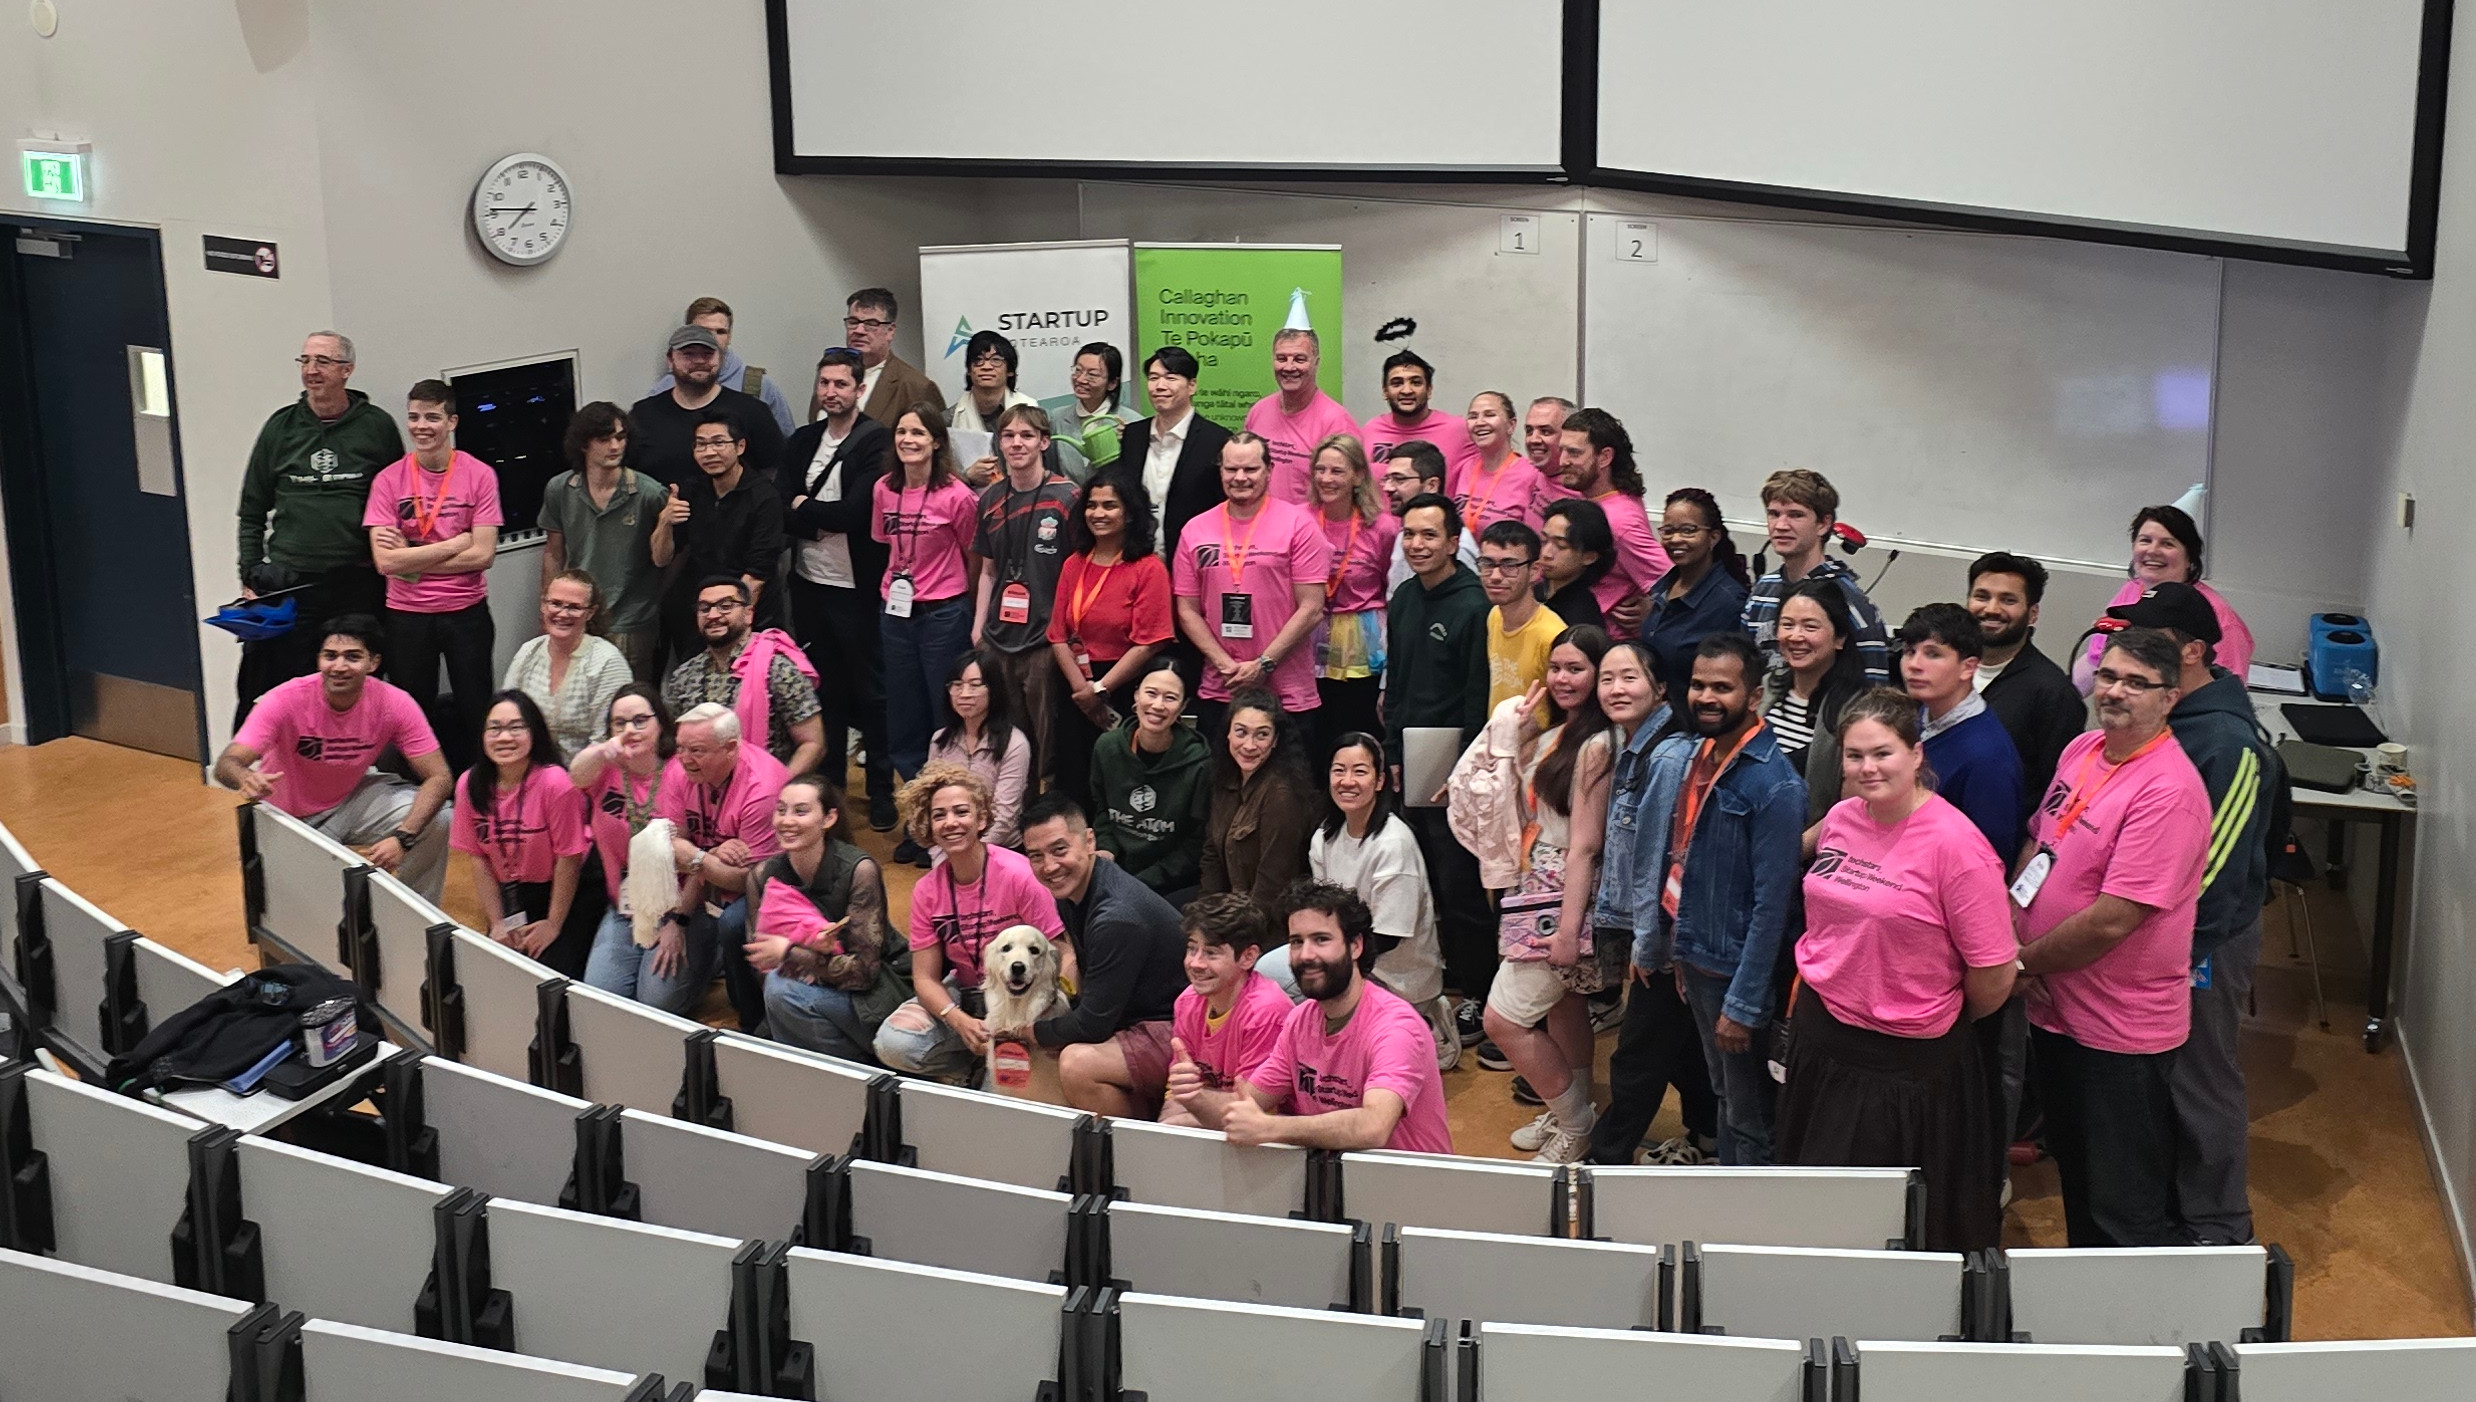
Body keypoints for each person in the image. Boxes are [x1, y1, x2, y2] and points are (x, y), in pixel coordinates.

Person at [1775, 689, 2019, 1251]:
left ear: (1916, 753)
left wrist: (1929, 1005)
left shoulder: (1958, 847)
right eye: (1855, 755)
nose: (1868, 768)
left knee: (1887, 1227)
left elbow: (1994, 973)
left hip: (1904, 1064)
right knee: (1817, 1213)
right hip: (1822, 1036)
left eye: (1882, 753)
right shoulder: (1841, 818)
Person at [2019, 628, 2213, 1247]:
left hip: (2117, 1032)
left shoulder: (2170, 791)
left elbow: (2113, 919)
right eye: (2108, 676)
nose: (2115, 692)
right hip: (2055, 1008)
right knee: (2078, 1175)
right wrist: (2014, 926)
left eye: (2136, 683)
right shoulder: (2083, 749)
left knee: (2120, 1205)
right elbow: (2040, 841)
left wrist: (2022, 964)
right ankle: (2083, 1300)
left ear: (2169, 698)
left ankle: (2122, 1310)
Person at [2105, 583, 2276, 1245]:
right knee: (2162, 1078)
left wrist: (2162, 947)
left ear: (2194, 652)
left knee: (2201, 1076)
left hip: (2201, 942)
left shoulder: (2227, 742)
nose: (2131, 649)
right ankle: (2171, 1206)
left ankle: (2217, 1225)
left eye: (2151, 638)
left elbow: (2215, 874)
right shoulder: (2170, 716)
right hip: (2149, 935)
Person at [1627, 633, 1806, 1165]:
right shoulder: (1700, 754)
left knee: (1749, 1115)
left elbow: (1772, 907)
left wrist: (1744, 1004)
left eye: (1722, 687)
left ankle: (1748, 1207)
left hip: (1733, 973)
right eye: (1699, 685)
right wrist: (1675, 949)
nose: (1706, 697)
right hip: (1697, 955)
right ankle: (1727, 1188)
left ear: (1754, 696)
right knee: (1726, 1095)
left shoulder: (1775, 786)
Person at [1167, 880, 1453, 1154]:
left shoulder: (1395, 1027)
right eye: (1296, 942)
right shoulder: (1300, 1021)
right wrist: (1195, 1097)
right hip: (1331, 1179)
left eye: (1321, 940)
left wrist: (1271, 1128)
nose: (1305, 955)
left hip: (1407, 1183)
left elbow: (1374, 1126)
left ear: (1356, 945)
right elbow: (1244, 1108)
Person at [1483, 626, 1619, 1163]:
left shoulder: (1599, 745)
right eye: (1556, 668)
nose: (1563, 679)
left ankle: (1575, 1123)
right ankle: (1571, 1105)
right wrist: (1522, 737)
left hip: (1564, 893)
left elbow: (1585, 846)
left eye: (1576, 669)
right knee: (1565, 1004)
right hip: (1538, 881)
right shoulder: (1558, 735)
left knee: (1502, 1020)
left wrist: (1568, 927)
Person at [1586, 640, 1719, 1167]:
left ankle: (1604, 1162)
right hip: (1661, 927)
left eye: (1629, 677)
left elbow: (1659, 860)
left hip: (1665, 930)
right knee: (1679, 1045)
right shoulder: (1636, 747)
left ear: (1660, 688)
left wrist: (1648, 941)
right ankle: (1708, 1139)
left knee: (1636, 1054)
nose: (1616, 689)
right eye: (1607, 679)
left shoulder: (1666, 756)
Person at [214, 615, 452, 902]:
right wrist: (245, 777)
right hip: (288, 817)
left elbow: (439, 776)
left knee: (439, 818)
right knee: (298, 908)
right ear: (319, 660)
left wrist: (404, 837)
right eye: (330, 656)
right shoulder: (285, 699)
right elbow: (226, 764)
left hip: (350, 800)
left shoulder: (394, 702)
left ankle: (418, 911)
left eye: (353, 657)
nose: (339, 666)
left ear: (373, 663)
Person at [234, 331, 404, 717]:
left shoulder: (376, 426)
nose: (311, 370)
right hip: (293, 582)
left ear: (347, 370)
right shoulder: (280, 427)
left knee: (359, 684)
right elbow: (252, 510)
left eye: (323, 362)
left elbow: (397, 501)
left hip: (358, 581)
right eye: (305, 361)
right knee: (293, 685)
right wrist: (250, 574)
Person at [870, 764, 1067, 1082]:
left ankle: (989, 1074)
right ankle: (966, 1069)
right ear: (929, 826)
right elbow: (925, 979)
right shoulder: (927, 890)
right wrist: (959, 1021)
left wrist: (1038, 1023)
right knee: (893, 1043)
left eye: (961, 812)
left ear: (982, 819)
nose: (951, 822)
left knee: (1002, 1093)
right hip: (966, 994)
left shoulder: (1020, 875)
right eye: (939, 815)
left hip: (1022, 1003)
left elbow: (1061, 952)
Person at [1383, 493, 1495, 1015]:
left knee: (1459, 882)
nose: (1417, 544)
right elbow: (1398, 682)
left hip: (1455, 763)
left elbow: (1477, 695)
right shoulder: (1405, 596)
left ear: (1453, 543)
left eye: (1429, 535)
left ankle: (1480, 990)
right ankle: (1444, 972)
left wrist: (1465, 767)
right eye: (1409, 534)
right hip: (1410, 756)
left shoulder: (1474, 605)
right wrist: (1392, 749)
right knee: (1422, 873)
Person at [1014, 793, 1188, 1116]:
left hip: (1177, 1029)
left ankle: (1137, 1136)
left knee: (1076, 1065)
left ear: (1090, 841)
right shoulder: (1074, 889)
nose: (1049, 866)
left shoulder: (1116, 916)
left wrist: (1025, 1032)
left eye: (1059, 850)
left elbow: (1092, 1025)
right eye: (1035, 856)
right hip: (1130, 1015)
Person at [780, 347, 896, 825]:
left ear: (859, 389)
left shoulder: (876, 440)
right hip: (810, 585)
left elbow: (855, 513)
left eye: (841, 384)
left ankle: (882, 790)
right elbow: (782, 504)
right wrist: (812, 515)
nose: (831, 392)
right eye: (824, 383)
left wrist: (805, 509)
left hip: (857, 589)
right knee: (822, 691)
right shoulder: (803, 439)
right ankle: (830, 789)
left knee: (872, 694)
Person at [1288, 734, 1453, 1066]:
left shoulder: (1394, 843)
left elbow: (1389, 936)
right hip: (1342, 951)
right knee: (1269, 974)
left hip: (1396, 975)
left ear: (1379, 781)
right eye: (1339, 770)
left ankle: (1426, 1027)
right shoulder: (1324, 837)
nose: (1347, 781)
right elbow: (1320, 912)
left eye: (1360, 771)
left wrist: (1330, 963)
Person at [363, 379, 501, 771]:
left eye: (432, 417)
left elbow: (484, 554)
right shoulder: (388, 480)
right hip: (407, 615)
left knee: (477, 708)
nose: (421, 426)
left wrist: (411, 556)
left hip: (466, 611)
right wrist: (455, 544)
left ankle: (482, 789)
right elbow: (385, 563)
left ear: (452, 422)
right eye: (414, 417)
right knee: (411, 714)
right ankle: (415, 792)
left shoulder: (479, 475)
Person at [1173, 432, 1332, 739]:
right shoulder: (1195, 529)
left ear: (1269, 470)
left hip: (1287, 693)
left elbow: (1312, 608)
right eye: (1231, 469)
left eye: (1250, 469)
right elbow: (1187, 610)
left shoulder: (1299, 525)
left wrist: (1263, 664)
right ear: (1220, 471)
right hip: (1222, 687)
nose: (1240, 477)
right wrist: (1225, 665)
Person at [744, 774, 906, 1066]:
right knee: (777, 990)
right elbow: (762, 964)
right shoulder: (762, 876)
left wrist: (790, 952)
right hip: (804, 990)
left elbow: (863, 974)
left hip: (874, 992)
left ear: (829, 818)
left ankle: (855, 1072)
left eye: (800, 811)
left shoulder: (860, 870)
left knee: (781, 992)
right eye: (781, 810)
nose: (787, 821)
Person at [653, 702, 791, 1028]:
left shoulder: (763, 788)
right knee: (653, 1001)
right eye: (680, 747)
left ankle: (753, 1021)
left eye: (697, 750)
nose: (684, 758)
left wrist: (697, 857)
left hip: (775, 884)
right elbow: (668, 850)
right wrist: (711, 854)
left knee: (732, 923)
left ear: (730, 748)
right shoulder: (679, 770)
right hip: (703, 887)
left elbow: (748, 881)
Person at [451, 691, 600, 977]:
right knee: (497, 972)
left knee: (549, 975)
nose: (504, 737)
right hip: (514, 891)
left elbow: (568, 860)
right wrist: (497, 923)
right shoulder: (469, 784)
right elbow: (479, 859)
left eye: (516, 727)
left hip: (569, 888)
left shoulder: (556, 782)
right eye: (494, 728)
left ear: (535, 733)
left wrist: (553, 924)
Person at [1047, 473, 1173, 806]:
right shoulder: (1074, 564)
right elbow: (1057, 635)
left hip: (1122, 686)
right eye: (1091, 505)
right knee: (1073, 778)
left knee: (1117, 783)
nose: (1098, 513)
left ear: (1129, 513)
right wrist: (1083, 692)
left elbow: (1150, 641)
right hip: (1074, 685)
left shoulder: (1148, 568)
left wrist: (1100, 690)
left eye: (1109, 506)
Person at [873, 406, 983, 785]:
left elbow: (973, 558)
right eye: (901, 432)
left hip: (944, 614)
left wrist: (967, 607)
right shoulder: (884, 488)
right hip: (895, 612)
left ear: (936, 442)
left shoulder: (958, 495)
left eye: (918, 433)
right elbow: (885, 543)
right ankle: (915, 792)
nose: (908, 440)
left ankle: (948, 786)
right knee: (903, 706)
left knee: (944, 704)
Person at [971, 405, 1078, 785]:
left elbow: (1078, 571)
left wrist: (1067, 633)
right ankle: (1018, 811)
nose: (1017, 443)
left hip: (1046, 641)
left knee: (1050, 743)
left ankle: (1053, 807)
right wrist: (978, 627)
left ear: (1044, 442)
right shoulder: (990, 499)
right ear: (999, 444)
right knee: (1010, 742)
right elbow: (987, 570)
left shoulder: (1067, 497)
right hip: (1000, 638)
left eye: (1027, 435)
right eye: (1009, 436)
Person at [538, 402, 677, 680]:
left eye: (620, 437)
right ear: (584, 444)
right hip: (577, 613)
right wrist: (548, 608)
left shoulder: (649, 493)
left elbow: (666, 559)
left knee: (631, 696)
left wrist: (654, 600)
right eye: (604, 439)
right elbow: (553, 553)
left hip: (631, 619)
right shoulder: (560, 489)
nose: (615, 446)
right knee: (578, 689)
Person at [574, 685, 687, 1005]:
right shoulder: (606, 769)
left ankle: (711, 952)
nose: (629, 730)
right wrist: (601, 750)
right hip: (625, 908)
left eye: (640, 721)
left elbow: (700, 854)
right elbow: (576, 776)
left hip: (676, 910)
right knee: (601, 999)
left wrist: (679, 922)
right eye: (619, 723)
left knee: (654, 1003)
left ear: (660, 723)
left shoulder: (681, 771)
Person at [2077, 505, 2257, 689]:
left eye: (2167, 544)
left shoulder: (2221, 620)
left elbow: (2227, 692)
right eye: (2145, 540)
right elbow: (2095, 659)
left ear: (2190, 559)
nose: (2153, 550)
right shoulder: (2132, 590)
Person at [1898, 603, 2025, 860]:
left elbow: (1987, 859)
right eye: (1910, 652)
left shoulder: (1987, 758)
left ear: (1968, 667)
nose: (1914, 665)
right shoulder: (1918, 716)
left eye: (1932, 654)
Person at [1965, 551, 2088, 815]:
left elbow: (2060, 789)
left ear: (2033, 614)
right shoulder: (1944, 670)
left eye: (2008, 600)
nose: (1991, 609)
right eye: (1982, 596)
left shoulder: (2054, 693)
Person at [1741, 468, 1890, 683]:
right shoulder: (1762, 591)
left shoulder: (1849, 600)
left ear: (1823, 524)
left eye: (1796, 515)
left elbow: (1875, 687)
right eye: (1774, 514)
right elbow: (1744, 669)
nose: (1781, 526)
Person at [663, 576, 823, 775]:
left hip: (767, 785)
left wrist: (777, 787)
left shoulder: (779, 669)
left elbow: (812, 743)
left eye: (725, 606)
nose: (713, 615)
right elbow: (677, 745)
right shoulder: (684, 676)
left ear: (748, 614)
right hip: (701, 787)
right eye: (704, 608)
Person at [1160, 894, 1294, 1127]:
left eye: (1211, 953)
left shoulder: (1266, 1012)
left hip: (1267, 1126)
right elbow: (1177, 1095)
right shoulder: (1187, 1001)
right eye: (1192, 949)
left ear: (1248, 957)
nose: (1195, 963)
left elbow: (1252, 1108)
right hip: (1212, 1114)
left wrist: (1187, 1106)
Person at [1089, 659, 1213, 905]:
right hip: (1115, 871)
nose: (1158, 705)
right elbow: (1101, 808)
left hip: (1170, 883)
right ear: (1136, 695)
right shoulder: (1107, 747)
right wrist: (1106, 848)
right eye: (1151, 693)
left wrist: (1145, 881)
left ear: (1183, 706)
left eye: (1170, 698)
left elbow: (1196, 842)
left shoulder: (1201, 764)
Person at [666, 409, 789, 651]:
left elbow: (757, 574)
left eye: (718, 443)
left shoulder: (765, 497)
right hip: (703, 610)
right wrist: (665, 521)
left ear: (740, 447)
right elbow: (662, 557)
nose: (709, 452)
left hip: (749, 613)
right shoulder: (692, 490)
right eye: (701, 444)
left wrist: (724, 620)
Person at [1308, 433, 1398, 755]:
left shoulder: (1383, 527)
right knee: (1315, 732)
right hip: (1311, 630)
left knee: (1358, 727)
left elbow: (1392, 587)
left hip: (1364, 639)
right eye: (1320, 470)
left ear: (1358, 476)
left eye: (1337, 471)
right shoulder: (1300, 520)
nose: (1326, 479)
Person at [1200, 690, 1320, 911]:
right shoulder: (1225, 778)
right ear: (1228, 734)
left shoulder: (1282, 795)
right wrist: (1207, 912)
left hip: (1264, 917)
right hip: (1228, 907)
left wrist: (1230, 926)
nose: (1249, 745)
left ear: (1275, 741)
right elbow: (1211, 855)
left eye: (1262, 735)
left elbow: (1273, 885)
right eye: (1241, 732)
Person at [1766, 578, 1871, 828]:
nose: (1795, 636)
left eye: (1810, 627)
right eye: (1787, 625)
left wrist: (1800, 844)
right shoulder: (1765, 687)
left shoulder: (1859, 711)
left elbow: (1856, 805)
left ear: (1839, 638)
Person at [628, 324, 784, 490]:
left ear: (720, 359)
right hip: (662, 506)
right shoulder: (642, 415)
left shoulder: (753, 411)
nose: (699, 361)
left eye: (708, 354)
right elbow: (628, 477)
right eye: (688, 354)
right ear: (670, 360)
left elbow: (775, 472)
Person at [1553, 408, 1667, 636]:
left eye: (1574, 453)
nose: (1562, 461)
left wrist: (1654, 611)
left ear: (1605, 457)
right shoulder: (1603, 498)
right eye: (1561, 450)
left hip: (1605, 644)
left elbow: (1676, 582)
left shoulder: (1620, 522)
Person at [1117, 346, 1231, 566]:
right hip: (1137, 562)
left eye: (1170, 378)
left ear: (1192, 386)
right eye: (1153, 378)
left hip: (1195, 561)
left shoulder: (1216, 440)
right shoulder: (1133, 435)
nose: (1160, 386)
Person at [504, 568, 633, 760]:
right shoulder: (528, 651)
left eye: (574, 607)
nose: (563, 614)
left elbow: (606, 741)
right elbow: (506, 714)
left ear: (590, 613)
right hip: (528, 764)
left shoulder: (608, 662)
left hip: (587, 768)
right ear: (543, 605)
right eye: (555, 604)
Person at [1642, 488, 1753, 706]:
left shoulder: (1728, 602)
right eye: (1668, 531)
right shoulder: (1662, 588)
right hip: (1653, 714)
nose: (1675, 539)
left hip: (1694, 717)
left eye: (1688, 531)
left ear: (1713, 537)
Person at [925, 648, 1034, 853]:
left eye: (975, 685)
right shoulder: (940, 740)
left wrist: (968, 855)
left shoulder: (1014, 743)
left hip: (999, 849)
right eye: (957, 685)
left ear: (993, 690)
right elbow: (929, 804)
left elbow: (1005, 817)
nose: (964, 694)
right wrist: (939, 854)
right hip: (949, 847)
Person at [648, 296, 796, 435]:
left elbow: (787, 444)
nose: (713, 339)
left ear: (729, 336)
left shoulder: (758, 386)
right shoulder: (666, 389)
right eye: (705, 331)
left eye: (720, 332)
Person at [1243, 327, 1358, 505]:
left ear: (1316, 363)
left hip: (1310, 522)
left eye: (1299, 359)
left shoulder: (1337, 422)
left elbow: (1348, 493)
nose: (1289, 367)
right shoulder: (1258, 411)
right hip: (1260, 520)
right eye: (1281, 359)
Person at [1482, 521, 1564, 714]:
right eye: (1487, 564)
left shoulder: (1552, 635)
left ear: (1534, 571)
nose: (1495, 576)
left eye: (1509, 566)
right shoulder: (1495, 616)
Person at [1378, 441, 1479, 592]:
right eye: (1387, 479)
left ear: (1431, 485)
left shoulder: (1458, 546)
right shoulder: (1403, 537)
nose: (1388, 488)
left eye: (1399, 479)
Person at [1359, 350, 1476, 480]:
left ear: (1429, 390)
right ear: (1385, 391)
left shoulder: (1459, 430)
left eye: (1416, 383)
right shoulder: (1370, 431)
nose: (1407, 391)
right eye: (1397, 383)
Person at [948, 329, 1039, 488]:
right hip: (974, 499)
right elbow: (938, 478)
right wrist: (967, 477)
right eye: (978, 360)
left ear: (1010, 370)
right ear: (969, 370)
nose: (986, 367)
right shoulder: (950, 419)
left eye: (996, 360)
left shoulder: (1033, 411)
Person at [844, 287, 946, 427]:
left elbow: (935, 437)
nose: (859, 331)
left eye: (871, 324)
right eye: (853, 322)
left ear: (890, 331)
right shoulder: (829, 377)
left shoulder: (916, 387)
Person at [1454, 392, 1549, 535]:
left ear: (1511, 425)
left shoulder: (1531, 474)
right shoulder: (1466, 467)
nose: (1479, 423)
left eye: (1489, 415)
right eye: (1473, 416)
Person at [1055, 342, 1142, 480]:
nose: (1080, 379)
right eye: (1078, 370)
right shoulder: (1056, 419)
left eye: (1092, 374)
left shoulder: (1133, 423)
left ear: (1112, 383)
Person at [1536, 497, 1613, 632]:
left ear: (1589, 557)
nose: (1546, 553)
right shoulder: (1535, 592)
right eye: (1544, 540)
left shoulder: (1582, 618)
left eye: (1561, 546)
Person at [1522, 395, 1575, 478]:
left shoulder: (1585, 483)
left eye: (1545, 431)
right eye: (1529, 431)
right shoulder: (1519, 478)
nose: (1533, 439)